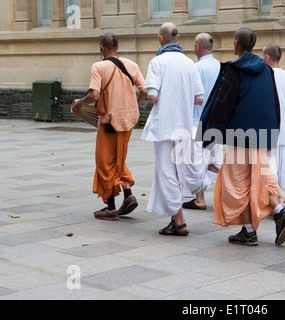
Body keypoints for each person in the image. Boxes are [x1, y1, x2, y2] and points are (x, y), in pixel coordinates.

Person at [198, 28, 285, 246]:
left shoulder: (234, 69)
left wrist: (210, 134)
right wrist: (273, 135)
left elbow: (223, 105)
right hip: (262, 133)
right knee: (257, 179)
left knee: (235, 184)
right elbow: (275, 104)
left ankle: (253, 229)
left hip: (239, 134)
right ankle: (274, 214)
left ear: (236, 44)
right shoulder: (267, 70)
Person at [72, 33, 147, 220]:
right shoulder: (132, 65)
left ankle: (111, 207)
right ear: (118, 47)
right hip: (128, 121)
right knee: (118, 159)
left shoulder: (99, 66)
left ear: (101, 47)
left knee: (105, 163)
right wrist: (133, 103)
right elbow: (145, 91)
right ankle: (128, 195)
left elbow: (95, 95)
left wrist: (80, 103)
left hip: (109, 123)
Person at [141, 22, 204, 236]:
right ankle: (176, 219)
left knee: (166, 171)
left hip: (165, 126)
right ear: (177, 39)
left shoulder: (157, 61)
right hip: (184, 125)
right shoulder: (190, 64)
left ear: (161, 39)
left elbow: (153, 96)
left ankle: (179, 220)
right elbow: (199, 98)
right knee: (177, 171)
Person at [182, 33, 221, 210]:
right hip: (217, 121)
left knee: (197, 161)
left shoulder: (196, 68)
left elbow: (191, 95)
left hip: (199, 120)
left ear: (197, 46)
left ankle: (199, 199)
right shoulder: (222, 67)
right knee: (211, 161)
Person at [262, 43, 285, 203]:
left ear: (267, 57)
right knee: (283, 164)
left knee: (270, 164)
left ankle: (277, 196)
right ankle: (282, 193)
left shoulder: (265, 75)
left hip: (271, 125)